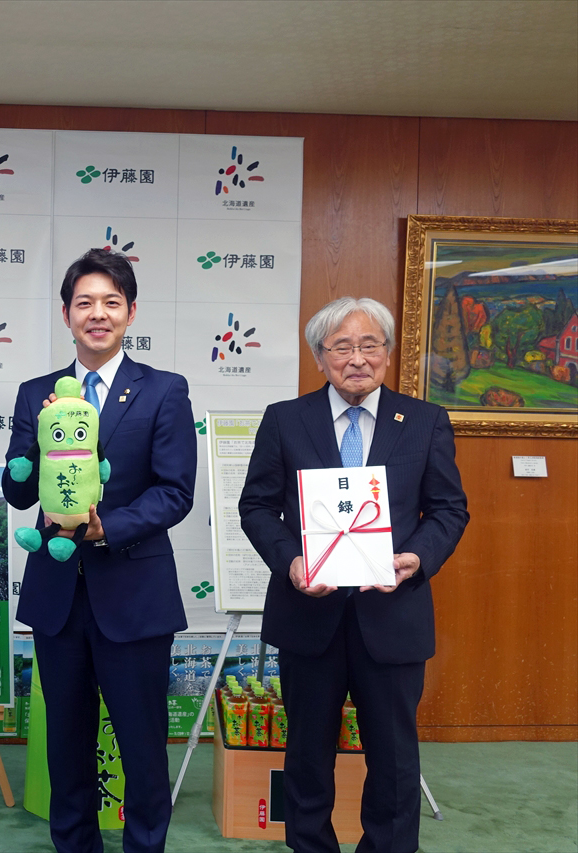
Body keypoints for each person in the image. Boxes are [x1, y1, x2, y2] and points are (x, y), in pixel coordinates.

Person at [238, 296, 469, 853]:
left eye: (370, 345)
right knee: (306, 756)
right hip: (308, 614)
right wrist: (290, 561)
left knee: (394, 761)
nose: (357, 358)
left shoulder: (424, 421)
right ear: (320, 357)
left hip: (391, 615)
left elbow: (448, 509)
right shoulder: (285, 419)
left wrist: (415, 559)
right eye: (342, 347)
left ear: (388, 353)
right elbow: (256, 507)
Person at [2, 249, 196, 853]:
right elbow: (17, 492)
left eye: (111, 302)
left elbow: (175, 492)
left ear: (131, 313)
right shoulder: (36, 394)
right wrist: (38, 445)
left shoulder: (163, 391)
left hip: (134, 596)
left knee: (142, 749)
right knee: (66, 748)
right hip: (58, 598)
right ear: (66, 314)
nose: (98, 314)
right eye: (84, 302)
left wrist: (103, 527)